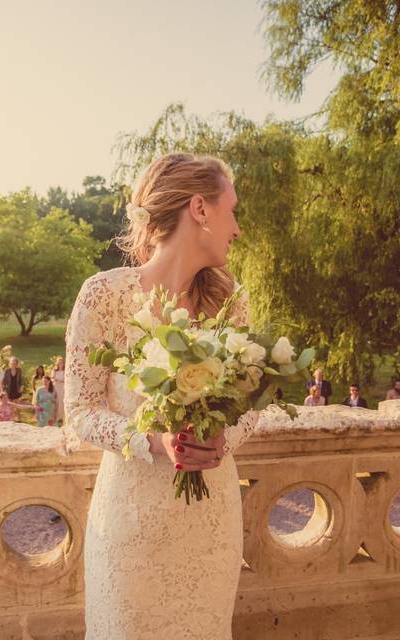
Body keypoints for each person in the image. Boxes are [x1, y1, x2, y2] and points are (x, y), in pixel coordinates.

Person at [65, 153, 260, 639]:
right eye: (231, 211)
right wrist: (153, 441)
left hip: (211, 523)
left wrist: (223, 441)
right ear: (200, 209)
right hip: (131, 527)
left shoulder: (230, 302)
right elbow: (80, 412)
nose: (236, 228)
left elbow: (254, 407)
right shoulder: (102, 296)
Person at [52, 357, 65, 424]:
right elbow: (52, 378)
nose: (60, 364)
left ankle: (61, 417)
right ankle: (55, 416)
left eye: (61, 363)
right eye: (59, 363)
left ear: (63, 364)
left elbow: (66, 380)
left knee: (61, 402)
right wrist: (56, 380)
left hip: (62, 388)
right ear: (57, 363)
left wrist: (62, 381)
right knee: (56, 401)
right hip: (56, 387)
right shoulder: (55, 371)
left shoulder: (64, 371)